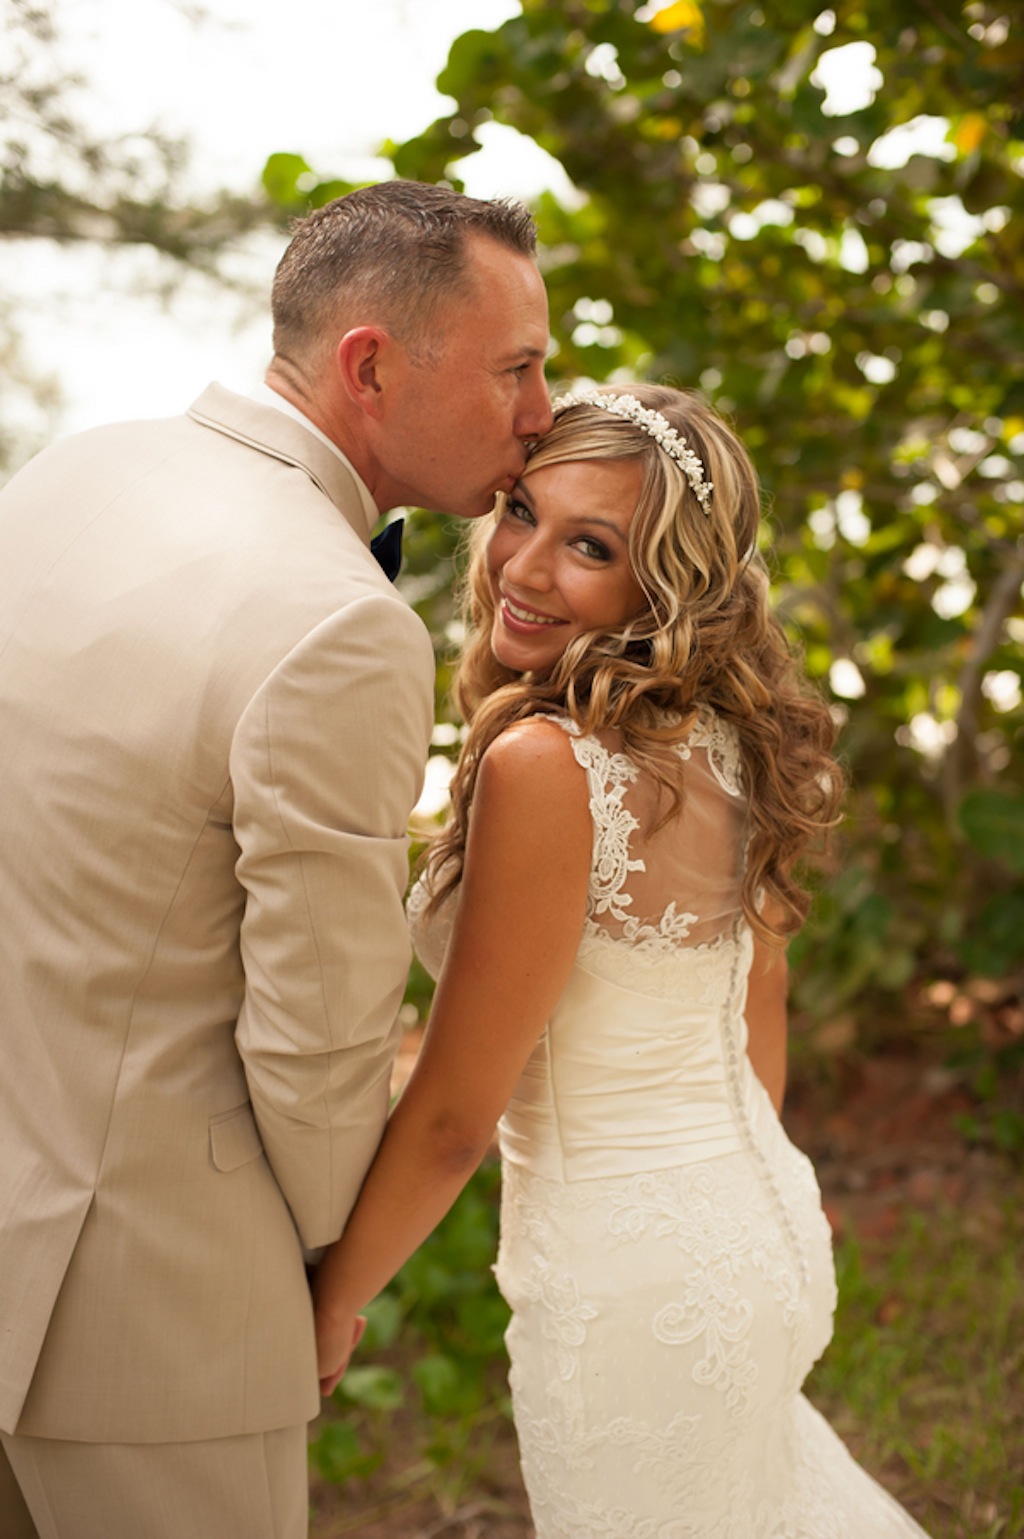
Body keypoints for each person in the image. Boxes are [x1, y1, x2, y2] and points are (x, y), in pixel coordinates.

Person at [0, 180, 552, 1539]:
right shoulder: (342, 625)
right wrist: (324, 1265)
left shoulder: (74, 468)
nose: (542, 415)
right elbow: (316, 1041)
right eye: (518, 368)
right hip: (160, 1314)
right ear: (370, 364)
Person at [312, 384, 933, 1536]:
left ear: (664, 583)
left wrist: (331, 1301)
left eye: (588, 545)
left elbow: (456, 1114)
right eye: (518, 513)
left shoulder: (547, 767)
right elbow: (760, 1024)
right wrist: (727, 1215)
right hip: (762, 1233)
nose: (521, 568)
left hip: (631, 1286)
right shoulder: (736, 747)